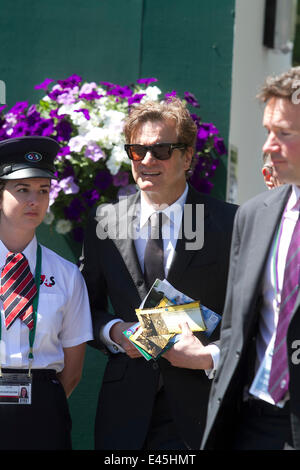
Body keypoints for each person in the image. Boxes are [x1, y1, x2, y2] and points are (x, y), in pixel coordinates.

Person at [81, 97, 237, 450]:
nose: (147, 160)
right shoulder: (105, 221)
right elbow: (83, 308)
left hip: (203, 405)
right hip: (125, 412)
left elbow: (252, 317)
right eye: (137, 151)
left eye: (161, 150)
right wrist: (114, 331)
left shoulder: (231, 223)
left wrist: (209, 357)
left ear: (188, 157)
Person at [201, 66, 300, 450]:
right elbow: (235, 327)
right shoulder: (253, 215)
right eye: (267, 132)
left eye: (285, 134)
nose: (269, 146)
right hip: (253, 421)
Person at [0, 136, 93, 450]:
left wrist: (40, 401)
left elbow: (74, 370)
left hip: (41, 409)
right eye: (23, 189)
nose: (34, 201)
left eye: (43, 191)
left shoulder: (66, 275)